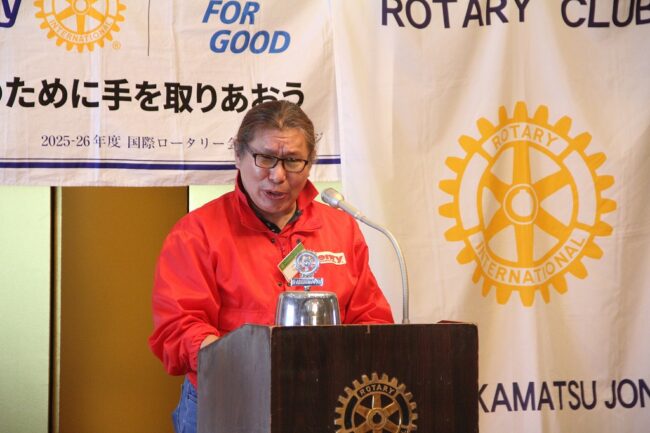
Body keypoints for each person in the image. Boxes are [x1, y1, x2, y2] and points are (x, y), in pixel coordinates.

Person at [148, 100, 394, 433]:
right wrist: (245, 362)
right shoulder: (197, 233)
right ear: (238, 155)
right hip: (228, 400)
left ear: (310, 163)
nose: (277, 176)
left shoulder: (341, 229)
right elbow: (178, 329)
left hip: (325, 398)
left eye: (292, 161)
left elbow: (371, 317)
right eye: (264, 158)